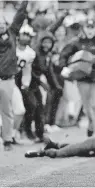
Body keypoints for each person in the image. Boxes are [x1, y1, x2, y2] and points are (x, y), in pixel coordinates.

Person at [59, 18, 95, 137]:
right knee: (87, 108)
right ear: (84, 28)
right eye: (88, 27)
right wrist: (64, 67)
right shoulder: (76, 42)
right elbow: (64, 55)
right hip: (82, 79)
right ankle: (91, 122)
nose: (90, 30)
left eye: (93, 27)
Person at [0, 0, 28, 151]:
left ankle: (7, 140)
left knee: (7, 110)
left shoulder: (12, 33)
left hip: (7, 79)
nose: (1, 25)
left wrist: (25, 2)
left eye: (3, 23)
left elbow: (20, 16)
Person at [14, 24, 36, 143]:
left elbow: (27, 70)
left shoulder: (30, 53)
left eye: (29, 35)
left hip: (13, 79)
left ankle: (15, 132)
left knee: (22, 108)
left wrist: (25, 83)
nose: (26, 37)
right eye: (24, 34)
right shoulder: (9, 47)